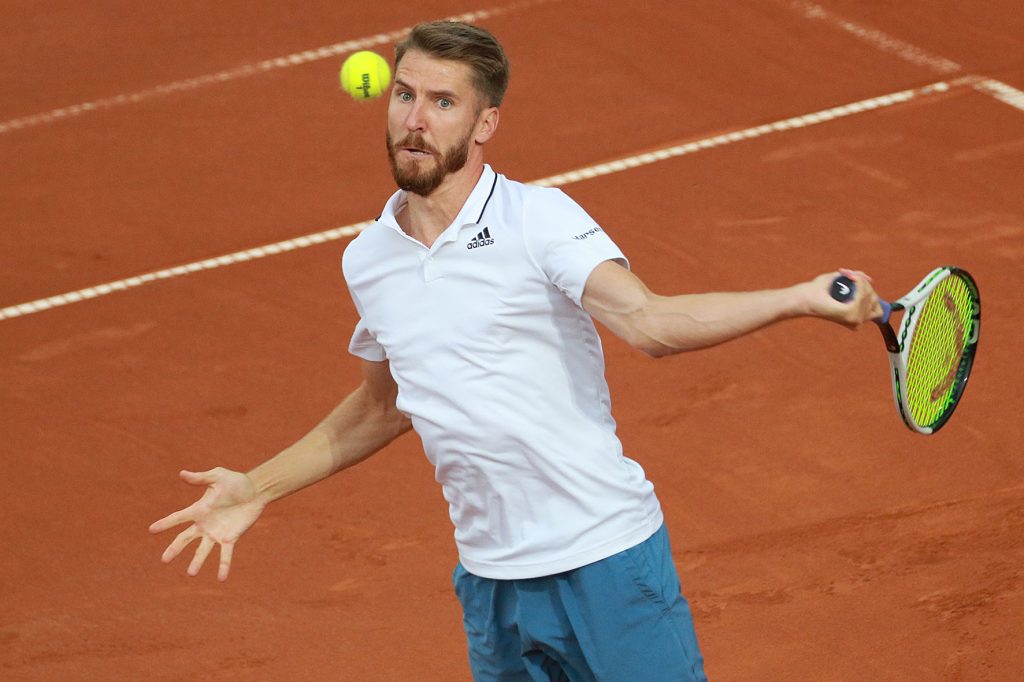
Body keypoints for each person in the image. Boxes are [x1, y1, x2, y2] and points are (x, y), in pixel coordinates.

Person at [150, 21, 881, 682]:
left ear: (485, 122)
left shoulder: (539, 220)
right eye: (404, 95)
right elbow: (382, 404)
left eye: (442, 102)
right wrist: (258, 487)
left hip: (604, 563)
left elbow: (648, 321)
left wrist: (796, 297)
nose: (414, 119)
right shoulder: (369, 258)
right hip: (491, 583)